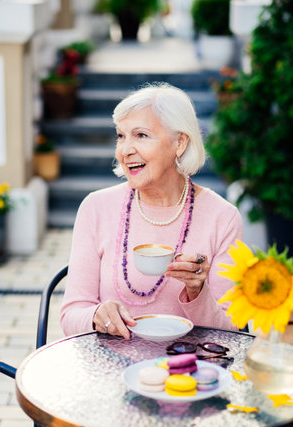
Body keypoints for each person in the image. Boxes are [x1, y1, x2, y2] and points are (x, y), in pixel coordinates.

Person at [60, 83, 243, 340]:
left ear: (179, 143)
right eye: (121, 136)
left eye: (141, 135)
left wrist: (197, 291)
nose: (125, 150)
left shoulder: (222, 217)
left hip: (189, 370)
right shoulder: (96, 208)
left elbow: (231, 330)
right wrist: (96, 315)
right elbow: (71, 316)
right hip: (109, 367)